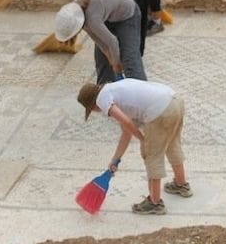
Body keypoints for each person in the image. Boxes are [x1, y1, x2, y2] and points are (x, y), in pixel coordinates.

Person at [77, 78, 191, 215]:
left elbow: (126, 122)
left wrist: (143, 141)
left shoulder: (102, 100)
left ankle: (154, 203)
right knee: (172, 144)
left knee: (151, 155)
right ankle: (181, 185)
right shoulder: (113, 89)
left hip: (159, 111)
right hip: (174, 101)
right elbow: (126, 132)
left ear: (92, 105)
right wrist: (115, 160)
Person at [54, 0, 145, 84]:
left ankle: (141, 92)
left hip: (128, 14)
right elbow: (100, 43)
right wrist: (111, 59)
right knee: (102, 59)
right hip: (107, 17)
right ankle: (104, 91)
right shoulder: (77, 12)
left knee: (129, 58)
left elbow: (112, 42)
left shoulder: (91, 19)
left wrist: (117, 64)